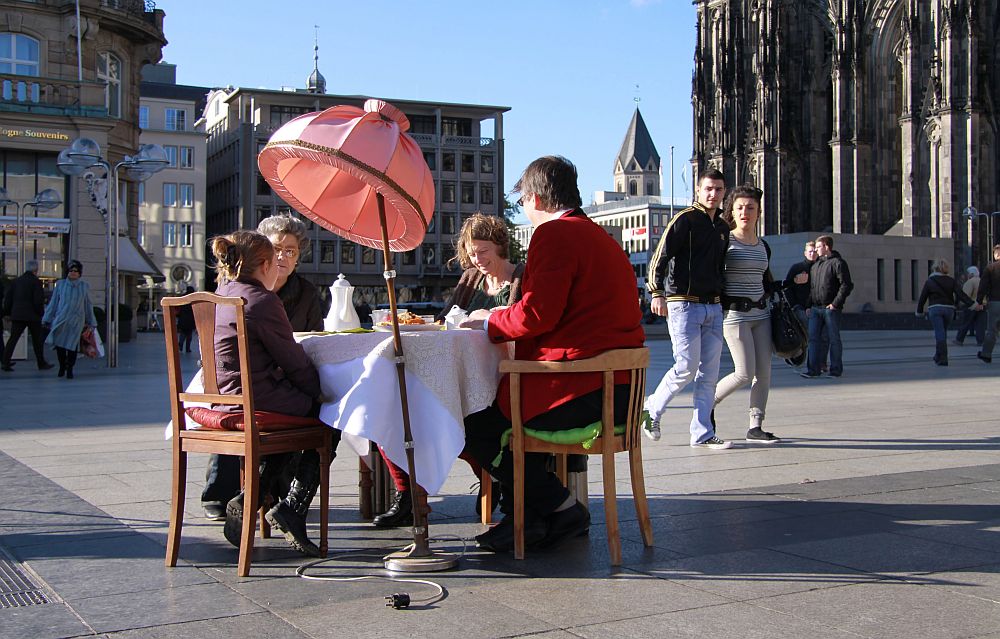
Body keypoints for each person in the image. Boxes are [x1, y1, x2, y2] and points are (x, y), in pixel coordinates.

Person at [461, 155, 644, 553]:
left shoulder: (553, 235)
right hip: (619, 390)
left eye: (524, 202)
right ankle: (535, 517)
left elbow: (537, 314)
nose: (525, 213)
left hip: (582, 391)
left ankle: (557, 509)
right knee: (495, 417)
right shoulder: (601, 237)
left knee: (474, 424)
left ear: (537, 199)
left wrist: (488, 324)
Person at [371, 212, 526, 528]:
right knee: (396, 410)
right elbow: (445, 320)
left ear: (500, 246)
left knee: (458, 424)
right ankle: (409, 495)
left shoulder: (520, 278)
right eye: (471, 252)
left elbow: (520, 327)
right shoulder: (470, 279)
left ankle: (492, 475)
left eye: (483, 251)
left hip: (501, 374)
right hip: (459, 371)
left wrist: (489, 316)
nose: (476, 258)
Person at [209, 230, 338, 557]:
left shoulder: (223, 293)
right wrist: (321, 395)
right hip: (259, 399)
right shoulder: (262, 300)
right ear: (264, 264)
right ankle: (293, 507)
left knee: (297, 420)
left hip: (227, 398)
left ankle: (250, 497)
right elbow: (294, 363)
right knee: (331, 419)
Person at [642, 168, 731, 449]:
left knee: (710, 374)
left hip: (713, 307)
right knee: (686, 367)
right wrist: (657, 293)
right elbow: (661, 256)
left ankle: (702, 433)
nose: (713, 194)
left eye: (718, 189)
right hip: (684, 304)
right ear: (698, 190)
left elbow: (720, 268)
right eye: (708, 189)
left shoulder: (722, 228)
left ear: (724, 192)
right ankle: (652, 410)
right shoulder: (685, 220)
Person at [714, 185, 780, 443]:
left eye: (750, 208)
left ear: (758, 212)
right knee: (743, 373)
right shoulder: (725, 241)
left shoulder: (763, 245)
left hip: (761, 315)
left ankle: (756, 426)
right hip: (735, 315)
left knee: (763, 373)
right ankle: (706, 404)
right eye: (740, 207)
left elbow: (765, 280)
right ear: (732, 210)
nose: (745, 212)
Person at [801, 235, 853, 378]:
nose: (816, 250)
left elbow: (846, 285)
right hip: (816, 309)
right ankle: (813, 370)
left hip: (831, 310)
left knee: (834, 339)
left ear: (827, 247)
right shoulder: (816, 266)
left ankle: (835, 370)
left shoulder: (838, 263)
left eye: (818, 247)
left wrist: (835, 304)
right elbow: (813, 288)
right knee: (813, 340)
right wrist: (808, 305)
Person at [39, 260, 95, 379]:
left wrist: (92, 321)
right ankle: (62, 365)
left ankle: (70, 368)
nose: (73, 273)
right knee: (60, 345)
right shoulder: (60, 284)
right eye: (71, 271)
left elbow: (88, 305)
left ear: (80, 273)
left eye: (76, 271)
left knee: (72, 346)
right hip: (61, 319)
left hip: (76, 320)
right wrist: (47, 318)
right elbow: (53, 303)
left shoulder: (84, 286)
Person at [915, 259, 975, 366]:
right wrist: (972, 304)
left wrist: (919, 311)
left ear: (934, 268)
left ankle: (943, 358)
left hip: (935, 309)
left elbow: (923, 298)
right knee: (942, 332)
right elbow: (960, 294)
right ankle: (938, 356)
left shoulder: (930, 281)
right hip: (949, 310)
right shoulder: (951, 281)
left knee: (939, 333)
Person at [2, 260, 54, 372]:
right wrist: (40, 313)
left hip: (18, 315)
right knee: (37, 340)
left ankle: (5, 361)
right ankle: (41, 363)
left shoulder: (16, 281)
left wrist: (7, 312)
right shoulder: (36, 282)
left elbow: (8, 298)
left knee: (13, 339)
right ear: (36, 270)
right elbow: (37, 300)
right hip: (32, 316)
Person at [783, 241, 827, 367]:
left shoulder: (821, 268)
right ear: (805, 253)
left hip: (817, 307)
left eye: (814, 251)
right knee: (811, 335)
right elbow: (787, 287)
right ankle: (812, 363)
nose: (812, 254)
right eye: (810, 251)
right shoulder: (797, 268)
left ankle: (820, 363)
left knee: (822, 337)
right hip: (800, 308)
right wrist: (795, 305)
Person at [976, 244, 1000, 364]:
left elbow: (983, 286)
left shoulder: (990, 268)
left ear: (996, 254)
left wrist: (979, 301)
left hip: (995, 302)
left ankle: (986, 354)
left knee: (992, 330)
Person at [954, 266, 986, 346]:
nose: (967, 275)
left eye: (968, 273)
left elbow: (965, 295)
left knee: (965, 323)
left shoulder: (970, 282)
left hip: (971, 306)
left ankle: (959, 339)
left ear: (971, 274)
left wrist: (961, 304)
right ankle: (980, 341)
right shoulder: (983, 281)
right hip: (982, 305)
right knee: (980, 325)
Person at [176, 286, 196, 353]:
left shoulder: (183, 297)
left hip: (183, 319)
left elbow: (179, 308)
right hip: (190, 320)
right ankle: (188, 348)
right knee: (189, 335)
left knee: (183, 334)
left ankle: (180, 346)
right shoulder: (193, 299)